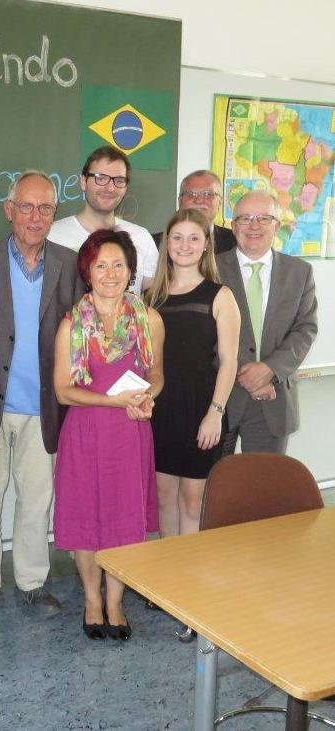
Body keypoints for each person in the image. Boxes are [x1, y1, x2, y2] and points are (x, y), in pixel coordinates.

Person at [0, 170, 85, 619]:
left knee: (37, 500)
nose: (35, 216)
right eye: (25, 207)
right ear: (9, 211)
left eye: (44, 208)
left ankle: (32, 581)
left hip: (44, 406)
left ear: (53, 214)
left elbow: (82, 335)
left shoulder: (70, 264)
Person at [53, 229, 164, 641]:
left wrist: (148, 396)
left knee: (123, 522)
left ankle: (115, 601)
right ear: (88, 271)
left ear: (131, 271)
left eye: (119, 264)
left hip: (131, 434)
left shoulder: (149, 319)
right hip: (85, 433)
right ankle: (91, 600)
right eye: (102, 265)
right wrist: (115, 402)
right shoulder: (72, 325)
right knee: (87, 521)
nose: (111, 273)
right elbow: (65, 391)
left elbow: (157, 375)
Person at [146, 210, 240, 639]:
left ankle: (189, 592)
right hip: (159, 411)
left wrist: (215, 413)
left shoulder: (220, 296)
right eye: (176, 238)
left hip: (201, 412)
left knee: (190, 501)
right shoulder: (151, 296)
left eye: (193, 238)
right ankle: (166, 581)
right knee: (163, 498)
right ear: (167, 243)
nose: (184, 245)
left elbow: (229, 361)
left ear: (206, 244)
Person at [216, 192, 318, 455]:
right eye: (246, 218)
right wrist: (247, 375)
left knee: (262, 490)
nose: (254, 225)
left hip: (272, 398)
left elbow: (305, 329)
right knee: (215, 488)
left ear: (277, 225)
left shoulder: (300, 272)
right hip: (219, 400)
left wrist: (269, 371)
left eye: (264, 218)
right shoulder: (211, 269)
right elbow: (202, 331)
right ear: (233, 225)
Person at [49, 145, 158, 293]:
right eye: (101, 178)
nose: (110, 188)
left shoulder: (142, 238)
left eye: (118, 180)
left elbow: (154, 298)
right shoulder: (52, 236)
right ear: (83, 182)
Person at [152, 170, 237, 254]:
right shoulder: (153, 244)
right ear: (180, 201)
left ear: (219, 203)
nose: (199, 201)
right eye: (191, 194)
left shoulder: (235, 242)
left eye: (207, 194)